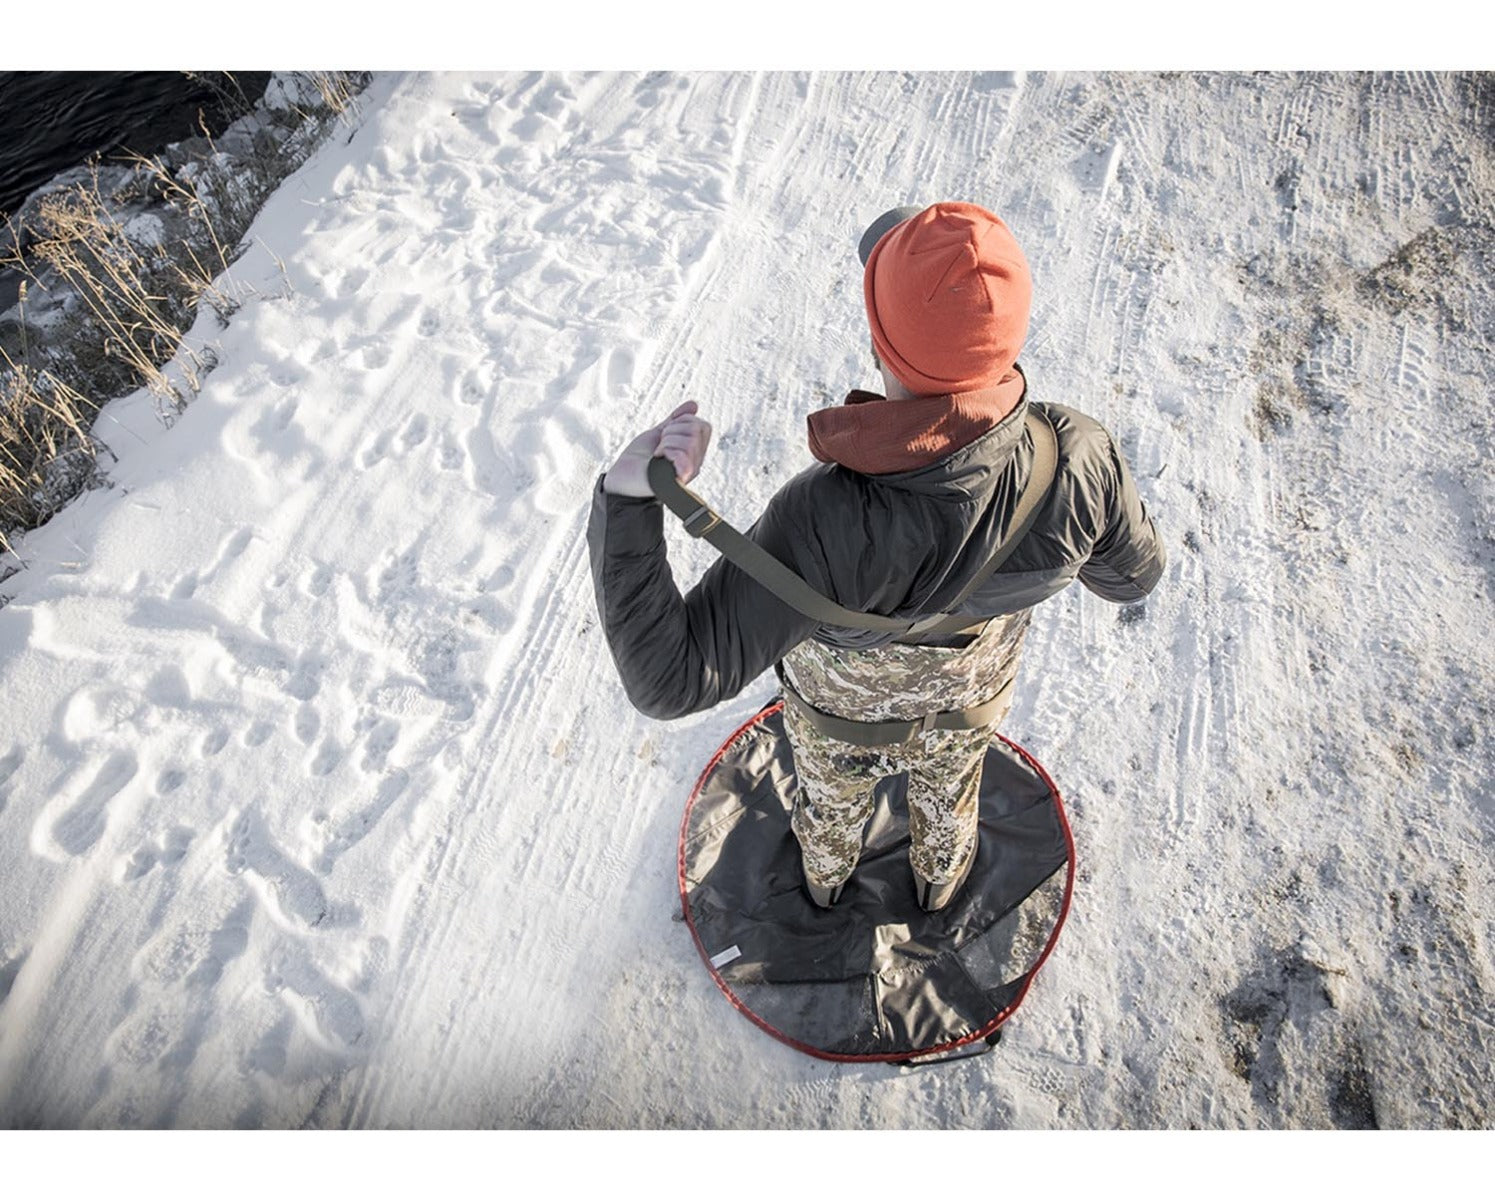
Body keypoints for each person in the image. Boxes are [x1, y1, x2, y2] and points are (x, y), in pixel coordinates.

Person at [587, 201, 1165, 912]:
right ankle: (937, 890)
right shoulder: (1078, 456)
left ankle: (825, 893)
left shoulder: (821, 518)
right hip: (967, 708)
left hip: (837, 723)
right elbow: (1131, 577)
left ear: (878, 345)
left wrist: (628, 500)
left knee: (829, 812)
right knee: (950, 803)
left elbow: (668, 681)